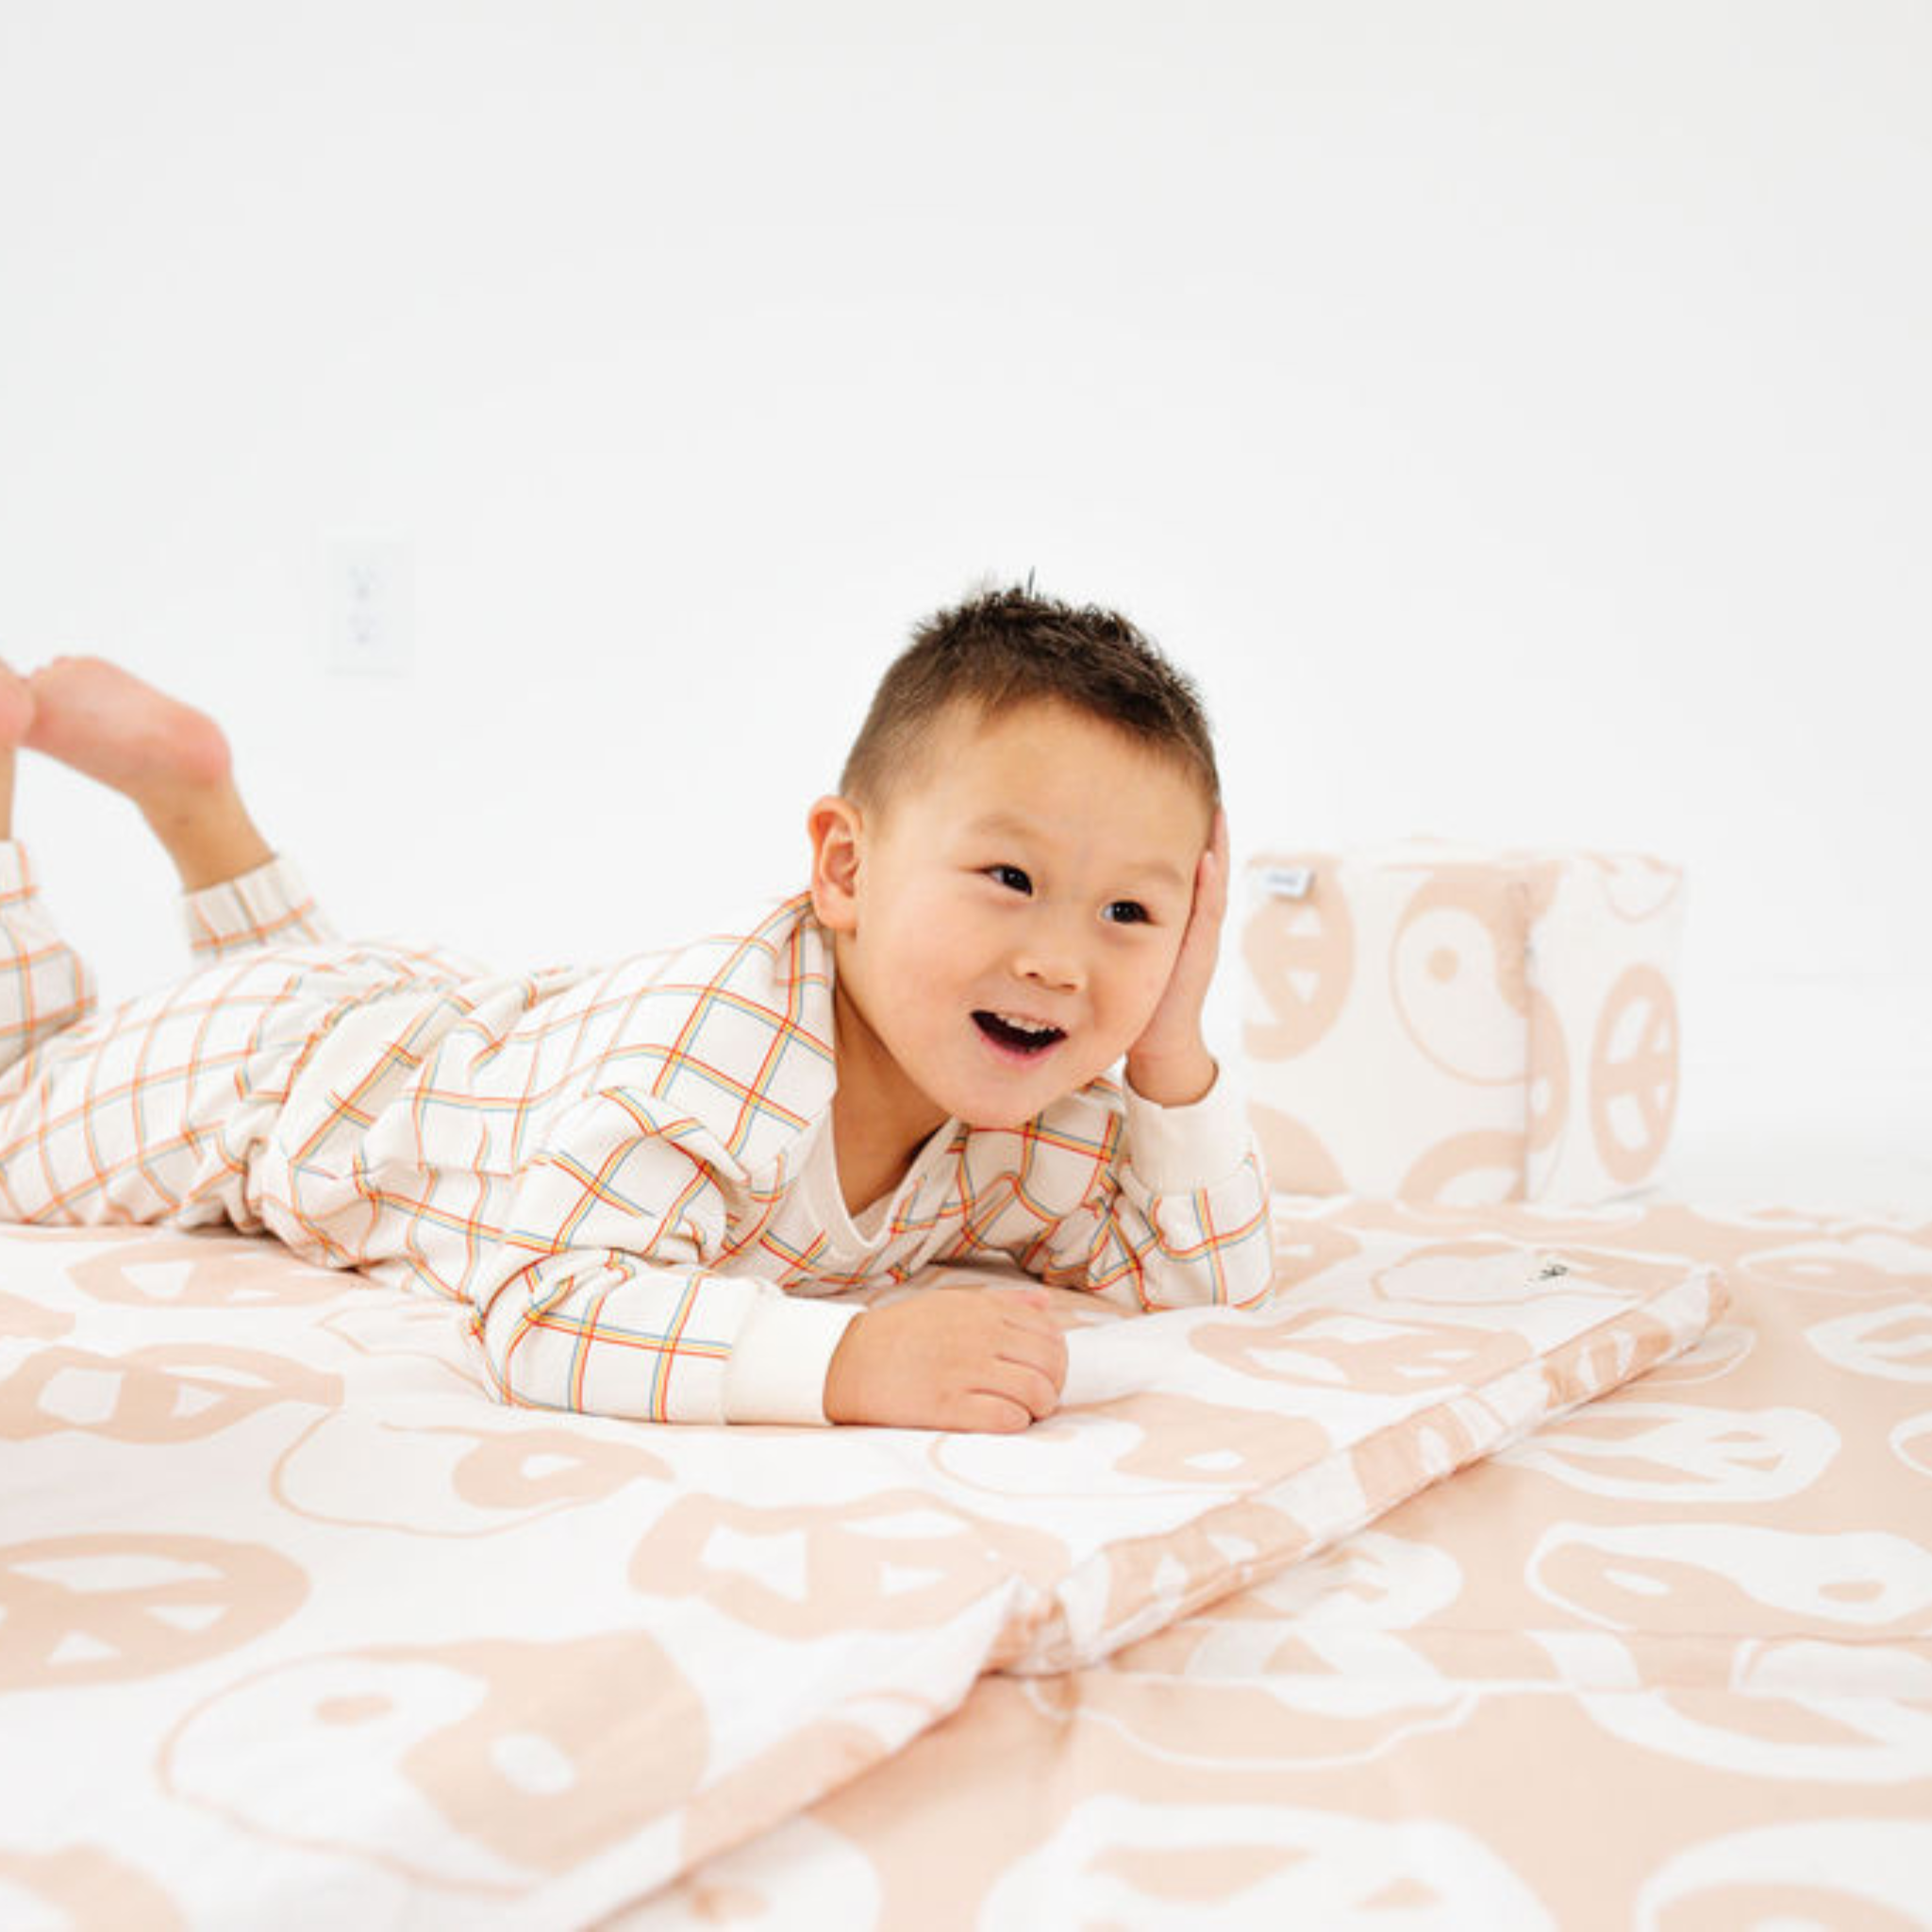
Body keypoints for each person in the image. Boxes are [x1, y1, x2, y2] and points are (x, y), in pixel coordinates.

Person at [0, 586, 1273, 1432]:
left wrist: (1171, 1041)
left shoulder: (1025, 1103)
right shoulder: (722, 1054)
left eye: (1129, 913)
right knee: (18, 1102)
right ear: (844, 870)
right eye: (1010, 879)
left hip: (434, 1029)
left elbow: (1197, 1277)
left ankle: (198, 800)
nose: (1061, 963)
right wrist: (850, 1362)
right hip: (269, 1081)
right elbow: (545, 1305)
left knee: (333, 1011)